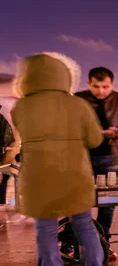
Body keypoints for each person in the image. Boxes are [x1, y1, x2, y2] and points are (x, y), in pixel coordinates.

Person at [11, 52, 105, 266]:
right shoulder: (78, 105)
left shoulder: (21, 107)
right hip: (74, 176)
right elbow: (95, 139)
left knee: (45, 229)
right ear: (63, 76)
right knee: (83, 224)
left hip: (38, 178)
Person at [75, 66, 118, 259]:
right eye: (96, 86)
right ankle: (81, 244)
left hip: (109, 157)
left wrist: (116, 133)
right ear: (89, 84)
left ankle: (104, 244)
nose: (101, 91)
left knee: (108, 204)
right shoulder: (77, 100)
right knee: (80, 203)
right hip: (81, 157)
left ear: (112, 84)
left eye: (105, 86)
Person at [0, 105, 17, 209]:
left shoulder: (2, 118)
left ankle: (2, 201)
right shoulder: (2, 118)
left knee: (6, 176)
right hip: (6, 153)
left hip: (6, 153)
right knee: (6, 176)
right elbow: (9, 138)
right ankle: (1, 201)